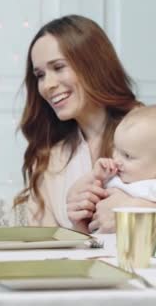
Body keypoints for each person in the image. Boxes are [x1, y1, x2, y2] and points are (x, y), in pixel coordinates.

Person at [13, 14, 145, 232]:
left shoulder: (148, 132)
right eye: (40, 75)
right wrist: (79, 225)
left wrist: (137, 209)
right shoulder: (47, 158)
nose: (47, 85)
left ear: (93, 64)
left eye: (58, 67)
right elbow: (41, 249)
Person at [79, 106, 156, 203]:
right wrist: (96, 175)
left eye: (127, 156)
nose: (116, 159)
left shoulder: (152, 188)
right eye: (115, 149)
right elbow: (85, 196)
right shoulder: (112, 178)